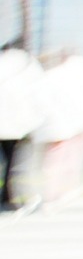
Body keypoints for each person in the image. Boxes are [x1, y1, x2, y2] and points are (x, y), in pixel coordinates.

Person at [34, 48, 83, 207]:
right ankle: (69, 187)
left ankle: (51, 191)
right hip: (81, 119)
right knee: (73, 155)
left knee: (53, 157)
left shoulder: (50, 76)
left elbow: (39, 100)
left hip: (54, 122)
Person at [0, 40, 44, 212]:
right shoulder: (28, 67)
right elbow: (39, 98)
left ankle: (5, 196)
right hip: (20, 126)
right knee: (15, 165)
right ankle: (9, 197)